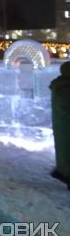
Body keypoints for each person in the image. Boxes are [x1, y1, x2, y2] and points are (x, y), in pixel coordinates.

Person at [50, 61, 70, 189]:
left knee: (64, 152)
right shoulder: (66, 88)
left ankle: (63, 172)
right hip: (67, 125)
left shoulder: (59, 85)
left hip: (62, 127)